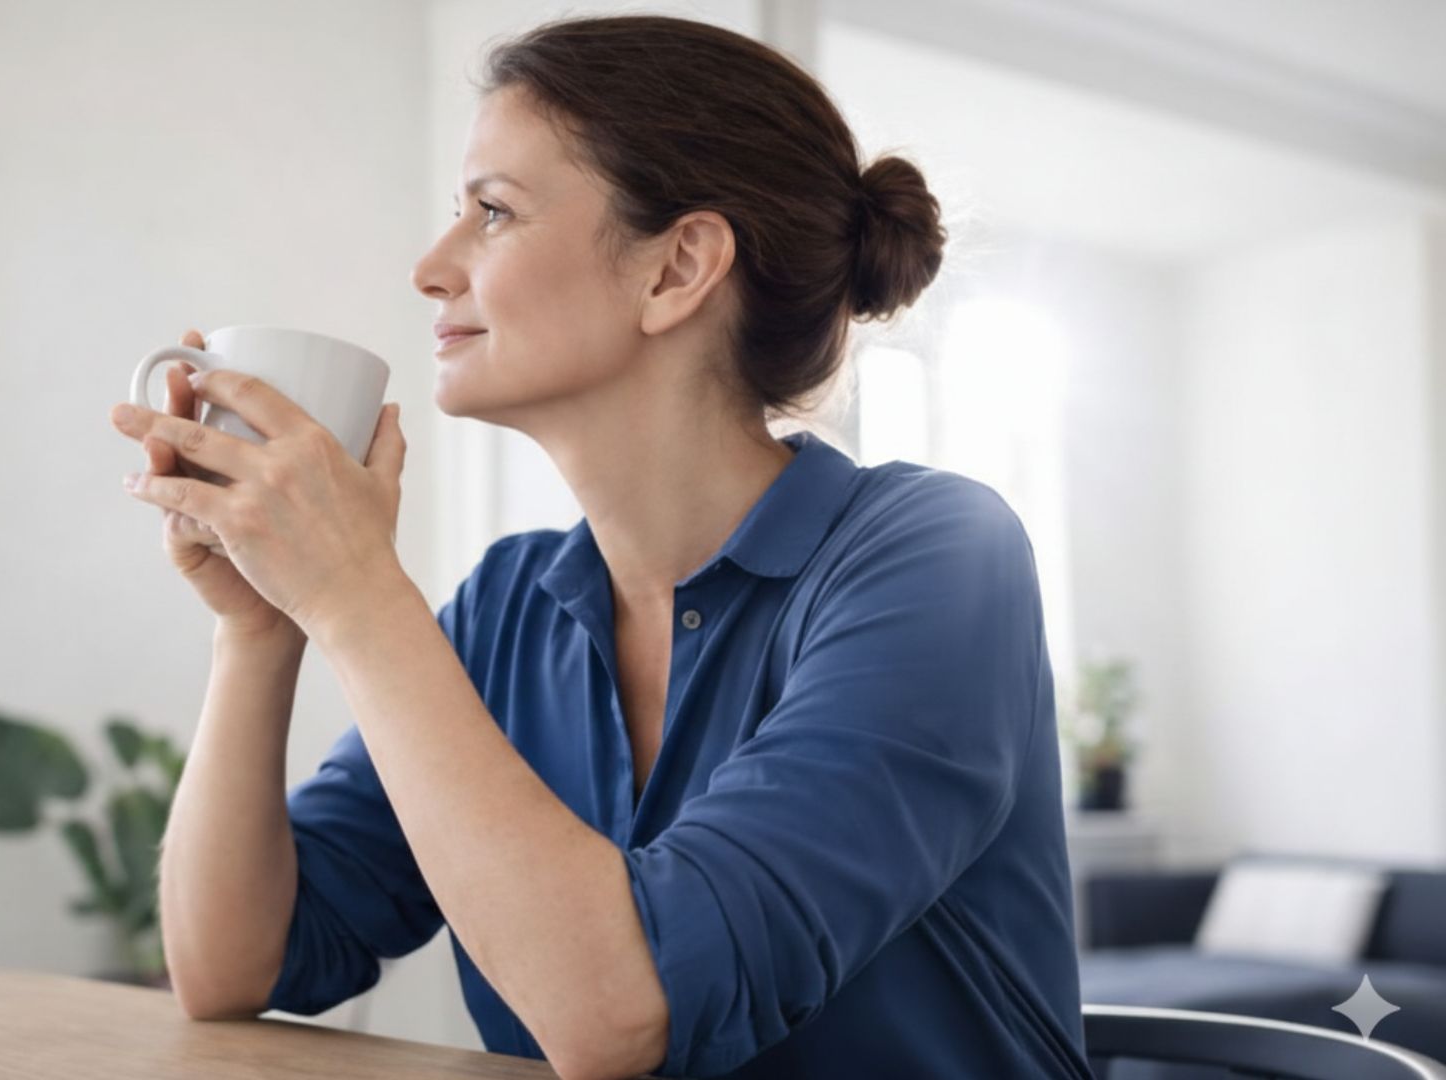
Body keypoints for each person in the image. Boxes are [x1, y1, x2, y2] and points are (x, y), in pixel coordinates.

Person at [109, 13, 1092, 1080]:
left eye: (493, 212)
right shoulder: (510, 604)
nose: (431, 268)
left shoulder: (938, 556)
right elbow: (233, 967)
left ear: (676, 269)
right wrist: (262, 630)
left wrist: (354, 596)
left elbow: (626, 1015)